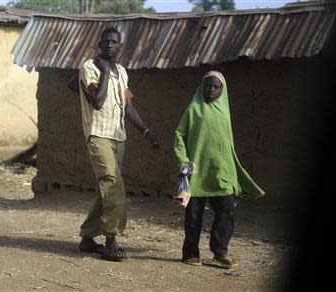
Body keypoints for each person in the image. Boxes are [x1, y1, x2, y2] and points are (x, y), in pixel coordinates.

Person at [78, 27, 160, 261]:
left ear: (120, 45)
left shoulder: (122, 72)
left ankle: (87, 238)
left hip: (118, 136)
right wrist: (104, 73)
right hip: (97, 134)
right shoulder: (89, 68)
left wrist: (147, 132)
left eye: (115, 42)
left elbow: (129, 107)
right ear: (99, 43)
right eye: (106, 41)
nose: (110, 45)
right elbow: (97, 101)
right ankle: (111, 241)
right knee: (113, 183)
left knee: (105, 188)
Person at [174, 71, 265, 268]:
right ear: (202, 87)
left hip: (221, 171)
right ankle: (190, 253)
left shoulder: (224, 110)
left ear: (222, 90)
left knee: (226, 209)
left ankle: (220, 251)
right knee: (193, 215)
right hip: (196, 172)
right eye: (208, 85)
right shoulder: (193, 110)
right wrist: (184, 161)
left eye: (216, 87)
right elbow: (179, 134)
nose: (212, 90)